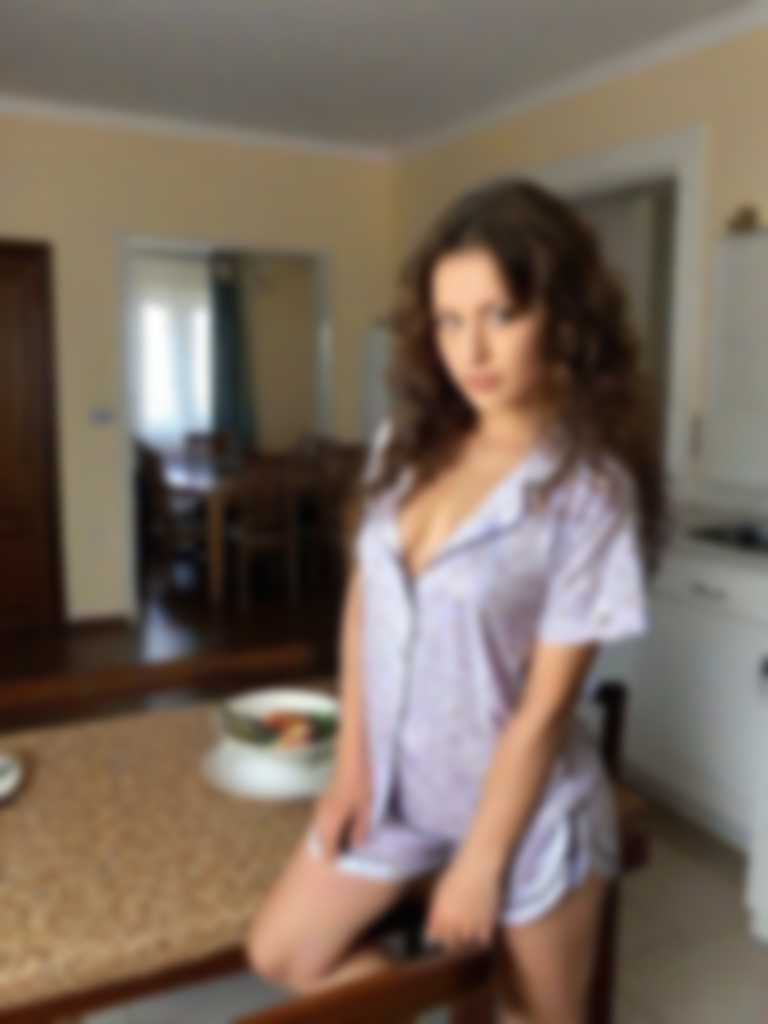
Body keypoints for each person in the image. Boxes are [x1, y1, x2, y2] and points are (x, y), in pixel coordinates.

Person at [245, 177, 666, 1023]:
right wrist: (352, 768)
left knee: (534, 1017)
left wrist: (481, 857)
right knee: (282, 949)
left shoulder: (587, 490)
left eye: (500, 315)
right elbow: (367, 601)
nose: (472, 350)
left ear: (561, 317)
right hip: (399, 792)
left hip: (527, 813)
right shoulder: (408, 445)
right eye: (449, 321)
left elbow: (545, 709)